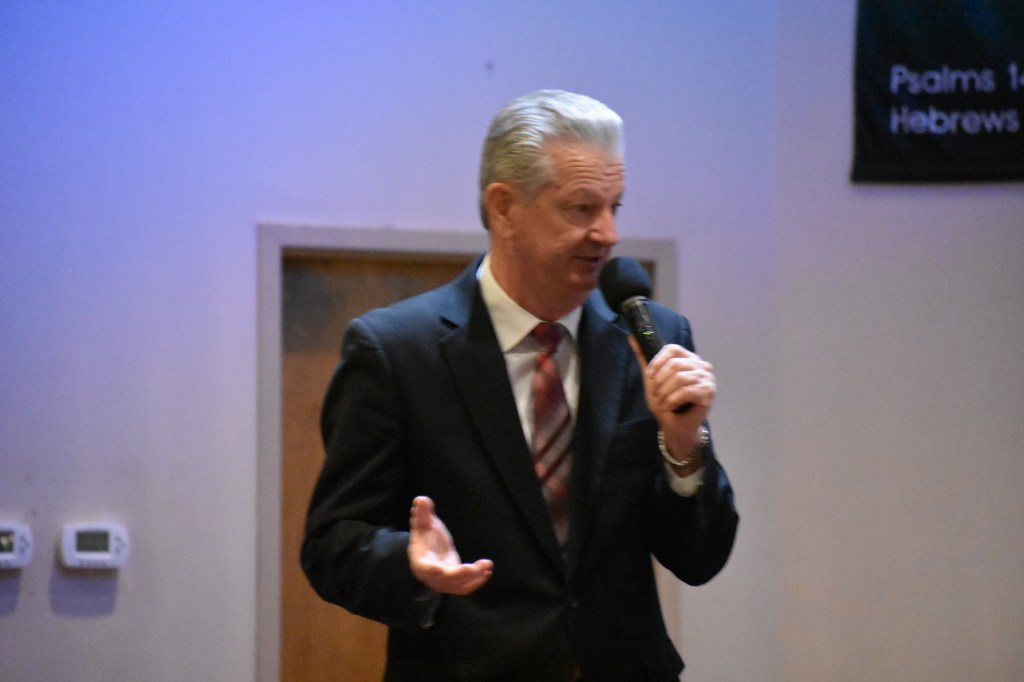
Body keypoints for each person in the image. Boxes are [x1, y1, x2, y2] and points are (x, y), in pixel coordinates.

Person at [301, 89, 738, 681]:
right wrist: (408, 561)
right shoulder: (396, 352)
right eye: (582, 209)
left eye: (614, 207)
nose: (608, 233)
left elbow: (699, 558)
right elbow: (331, 544)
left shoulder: (652, 339)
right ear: (504, 207)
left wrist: (685, 449)